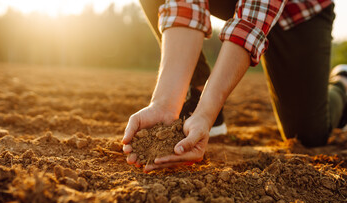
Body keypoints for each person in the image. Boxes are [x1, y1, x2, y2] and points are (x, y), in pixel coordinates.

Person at [122, 0, 347, 172]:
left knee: (308, 135)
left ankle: (343, 85)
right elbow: (185, 6)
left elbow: (253, 19)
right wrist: (165, 104)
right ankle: (196, 97)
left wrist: (206, 112)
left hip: (298, 13)